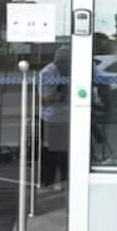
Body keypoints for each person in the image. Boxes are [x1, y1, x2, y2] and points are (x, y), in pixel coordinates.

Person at [39, 47, 71, 188]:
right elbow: (44, 100)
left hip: (68, 117)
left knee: (65, 153)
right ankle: (48, 182)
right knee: (50, 154)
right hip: (51, 118)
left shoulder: (75, 69)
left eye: (67, 63)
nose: (65, 67)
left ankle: (66, 181)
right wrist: (57, 88)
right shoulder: (47, 73)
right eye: (62, 64)